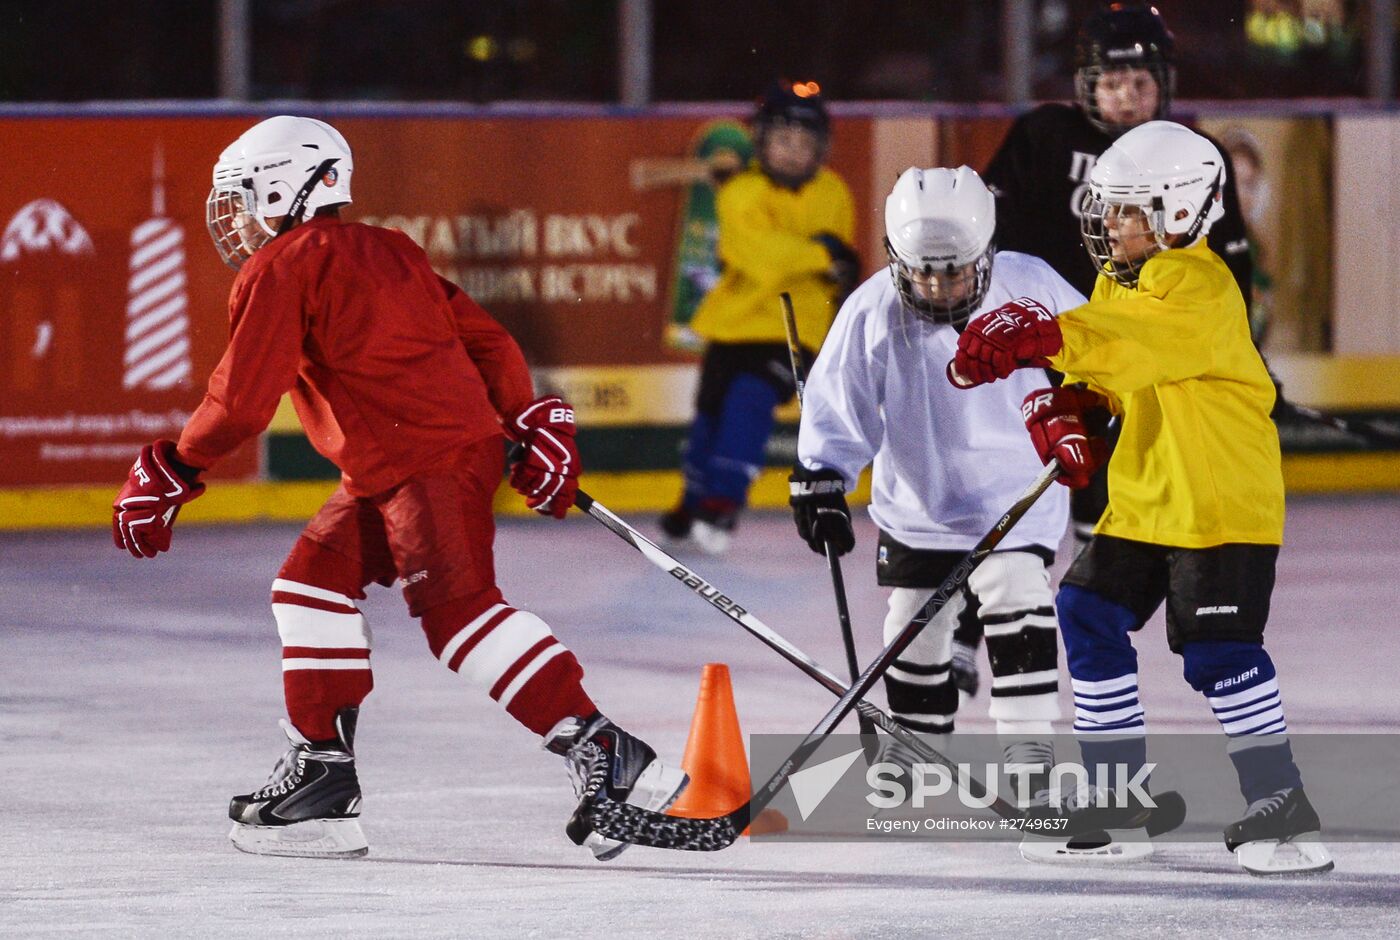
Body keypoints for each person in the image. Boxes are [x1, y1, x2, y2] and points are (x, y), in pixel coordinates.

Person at [110, 115, 685, 862]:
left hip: (423, 463)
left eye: (249, 194)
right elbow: (489, 340)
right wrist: (538, 423)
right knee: (308, 588)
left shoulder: (281, 266)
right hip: (410, 464)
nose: (242, 216)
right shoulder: (392, 248)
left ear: (289, 185)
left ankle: (607, 749)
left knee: (459, 616)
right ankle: (321, 780)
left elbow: (241, 402)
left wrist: (173, 469)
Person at [949, 120, 1333, 875]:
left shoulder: (1203, 281)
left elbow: (1131, 341)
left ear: (1181, 212)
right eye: (1111, 208)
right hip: (1150, 497)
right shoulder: (1122, 279)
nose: (1110, 223)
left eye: (1128, 209)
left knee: (1218, 653)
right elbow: (1116, 358)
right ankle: (1118, 796)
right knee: (1086, 612)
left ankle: (1281, 802)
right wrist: (1071, 404)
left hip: (1218, 504)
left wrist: (1041, 335)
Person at [971, 0, 1256, 693]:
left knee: (1110, 504)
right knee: (1008, 489)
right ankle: (964, 625)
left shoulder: (1191, 156)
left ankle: (1104, 634)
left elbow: (1228, 274)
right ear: (1085, 83)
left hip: (1130, 366)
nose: (1128, 94)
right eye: (1113, 81)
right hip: (1043, 351)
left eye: (1141, 81)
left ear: (1164, 82)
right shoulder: (1044, 134)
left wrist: (1239, 357)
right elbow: (989, 227)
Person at [789, 166, 1085, 802]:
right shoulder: (871, 309)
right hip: (919, 505)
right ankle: (917, 744)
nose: (937, 285)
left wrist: (1095, 412)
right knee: (913, 623)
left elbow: (1097, 355)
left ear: (986, 255)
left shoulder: (1032, 285)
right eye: (922, 271)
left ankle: (1030, 744)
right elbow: (841, 405)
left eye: (953, 271)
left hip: (1018, 495)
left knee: (1015, 592)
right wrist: (821, 480)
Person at [660, 80, 858, 555]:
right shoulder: (740, 191)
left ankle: (721, 504)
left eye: (804, 144)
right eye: (783, 141)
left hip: (794, 329)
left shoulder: (833, 191)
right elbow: (761, 257)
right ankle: (692, 503)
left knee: (749, 402)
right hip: (732, 324)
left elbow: (828, 267)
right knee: (709, 416)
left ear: (821, 149)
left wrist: (812, 261)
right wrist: (818, 254)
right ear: (762, 142)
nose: (792, 153)